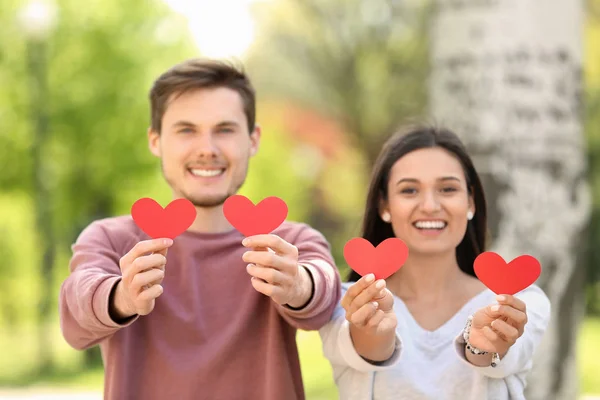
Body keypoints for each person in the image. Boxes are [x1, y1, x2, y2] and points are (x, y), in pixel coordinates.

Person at [58, 58, 342, 400]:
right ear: (155, 140)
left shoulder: (287, 244)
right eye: (186, 130)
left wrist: (298, 285)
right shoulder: (112, 240)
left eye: (225, 129)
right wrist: (122, 295)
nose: (207, 149)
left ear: (253, 140)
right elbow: (77, 311)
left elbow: (323, 288)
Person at [319, 126, 551, 400]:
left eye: (447, 188)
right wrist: (371, 332)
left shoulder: (521, 302)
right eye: (409, 190)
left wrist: (482, 346)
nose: (430, 205)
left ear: (471, 202)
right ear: (384, 206)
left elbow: (504, 358)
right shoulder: (343, 303)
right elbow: (365, 350)